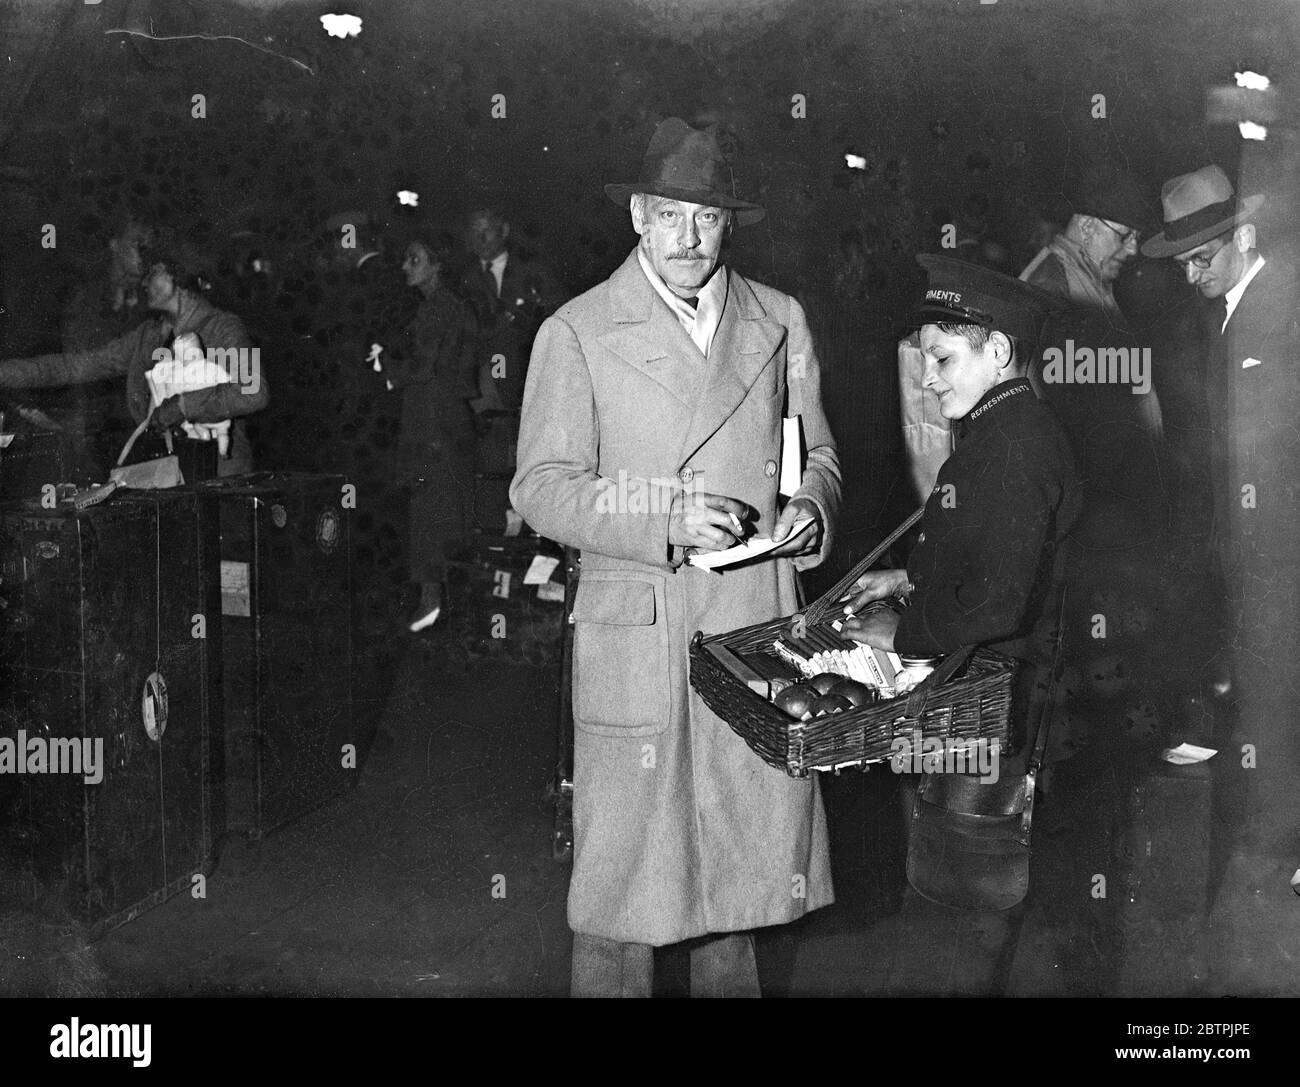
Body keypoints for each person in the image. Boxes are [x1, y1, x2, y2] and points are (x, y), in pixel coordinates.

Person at [510, 118, 841, 998]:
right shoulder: (575, 331)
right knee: (626, 896)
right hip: (641, 638)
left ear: (731, 222)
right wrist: (662, 515)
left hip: (750, 628)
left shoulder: (781, 321)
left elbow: (820, 454)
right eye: (667, 216)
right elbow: (540, 488)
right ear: (636, 219)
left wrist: (813, 505)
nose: (687, 238)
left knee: (733, 887)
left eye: (705, 217)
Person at [1141, 164, 1300, 861]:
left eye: (1200, 257)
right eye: (1181, 261)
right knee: (1262, 673)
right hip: (1245, 537)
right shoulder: (1219, 313)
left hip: (1285, 537)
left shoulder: (1286, 302)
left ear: (1242, 234)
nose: (1189, 273)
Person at [845, 255, 1081, 666]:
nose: (925, 378)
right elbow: (986, 556)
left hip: (1014, 674)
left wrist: (906, 633)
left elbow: (999, 605)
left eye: (942, 359)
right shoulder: (1001, 428)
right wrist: (909, 581)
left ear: (997, 351)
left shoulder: (1017, 448)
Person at [0, 239, 268, 478]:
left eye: (152, 273)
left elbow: (254, 393)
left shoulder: (225, 328)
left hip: (222, 482)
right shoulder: (146, 337)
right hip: (169, 480)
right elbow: (73, 366)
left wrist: (183, 407)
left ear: (177, 276)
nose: (143, 283)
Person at [378, 227, 479, 632]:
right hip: (445, 425)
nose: (406, 267)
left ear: (437, 266)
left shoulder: (437, 309)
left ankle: (430, 605)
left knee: (430, 516)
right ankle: (441, 606)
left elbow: (421, 367)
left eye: (415, 259)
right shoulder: (449, 307)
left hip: (432, 428)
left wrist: (386, 366)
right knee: (444, 514)